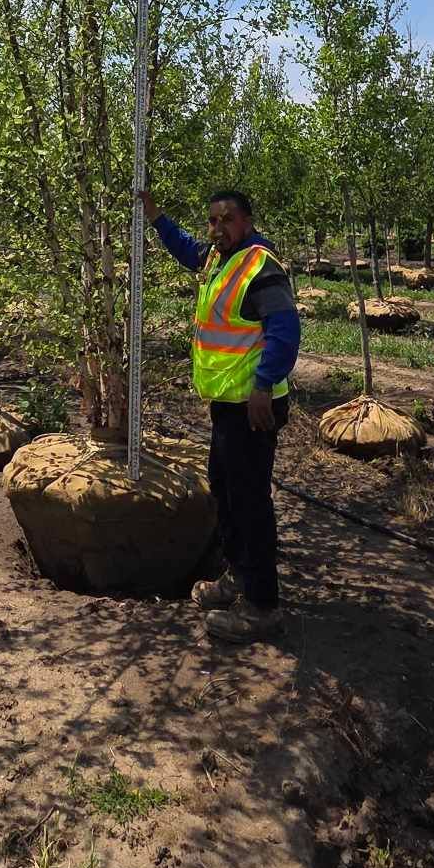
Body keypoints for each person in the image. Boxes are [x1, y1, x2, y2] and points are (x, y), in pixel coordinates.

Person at [139, 186, 300, 644]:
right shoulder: (217, 257)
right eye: (212, 220)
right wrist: (157, 218)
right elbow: (186, 249)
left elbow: (285, 331)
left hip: (253, 406)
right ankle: (237, 576)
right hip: (227, 406)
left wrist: (264, 385)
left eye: (226, 220)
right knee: (227, 495)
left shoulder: (260, 266)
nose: (216, 228)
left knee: (250, 504)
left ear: (246, 222)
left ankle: (262, 605)